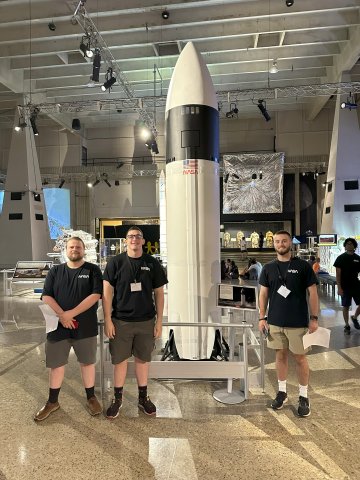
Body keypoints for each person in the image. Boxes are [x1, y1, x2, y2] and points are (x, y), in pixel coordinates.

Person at [34, 237, 103, 421]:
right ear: (66, 249)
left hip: (85, 327)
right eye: (71, 247)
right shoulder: (55, 271)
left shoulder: (92, 270)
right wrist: (62, 315)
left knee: (87, 363)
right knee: (56, 365)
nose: (75, 249)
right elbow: (46, 296)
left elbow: (96, 295)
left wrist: (70, 313)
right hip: (58, 327)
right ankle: (52, 402)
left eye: (78, 247)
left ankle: (91, 397)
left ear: (83, 250)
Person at [103, 226, 168, 419]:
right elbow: (107, 293)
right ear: (125, 240)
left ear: (143, 241)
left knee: (143, 360)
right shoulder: (115, 263)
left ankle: (143, 397)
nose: (134, 239)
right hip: (120, 321)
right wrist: (107, 319)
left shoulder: (151, 263)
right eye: (131, 236)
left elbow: (159, 293)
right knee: (120, 361)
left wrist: (159, 322)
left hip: (146, 320)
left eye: (138, 236)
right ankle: (117, 399)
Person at [258, 230, 319, 417]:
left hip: (298, 322)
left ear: (290, 243)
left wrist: (314, 318)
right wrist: (262, 317)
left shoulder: (303, 266)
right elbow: (263, 294)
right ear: (273, 244)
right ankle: (282, 392)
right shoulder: (268, 268)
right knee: (280, 357)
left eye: (284, 241)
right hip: (275, 322)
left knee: (300, 358)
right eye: (277, 241)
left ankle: (303, 396)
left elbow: (313, 293)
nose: (280, 244)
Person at [333, 237, 360, 334]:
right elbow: (338, 274)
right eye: (347, 244)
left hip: (356, 285)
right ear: (345, 246)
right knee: (346, 306)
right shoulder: (341, 258)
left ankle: (354, 317)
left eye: (351, 243)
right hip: (345, 286)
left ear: (354, 246)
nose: (349, 245)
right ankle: (347, 325)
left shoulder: (358, 258)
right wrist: (339, 288)